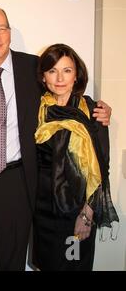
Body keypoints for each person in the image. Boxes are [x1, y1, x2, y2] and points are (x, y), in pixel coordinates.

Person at [0, 5, 112, 271]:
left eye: (2, 28)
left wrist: (98, 110)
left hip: (17, 181)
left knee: (12, 258)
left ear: (9, 32)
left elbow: (64, 93)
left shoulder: (34, 68)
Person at [32, 43, 119, 271]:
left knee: (74, 265)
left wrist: (87, 214)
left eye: (67, 70)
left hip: (76, 211)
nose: (59, 78)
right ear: (43, 76)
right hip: (41, 210)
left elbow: (101, 168)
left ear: (77, 75)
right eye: (52, 71)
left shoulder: (93, 111)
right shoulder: (38, 110)